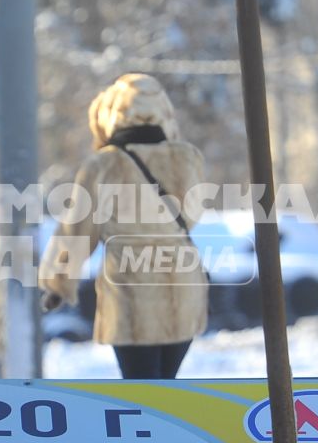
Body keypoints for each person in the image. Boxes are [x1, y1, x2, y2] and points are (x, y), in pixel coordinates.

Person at [40, 73, 207, 378]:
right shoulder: (188, 159)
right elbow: (191, 217)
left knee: (141, 391)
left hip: (132, 293)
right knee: (168, 387)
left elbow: (77, 232)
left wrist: (58, 283)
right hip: (184, 288)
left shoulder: (103, 165)